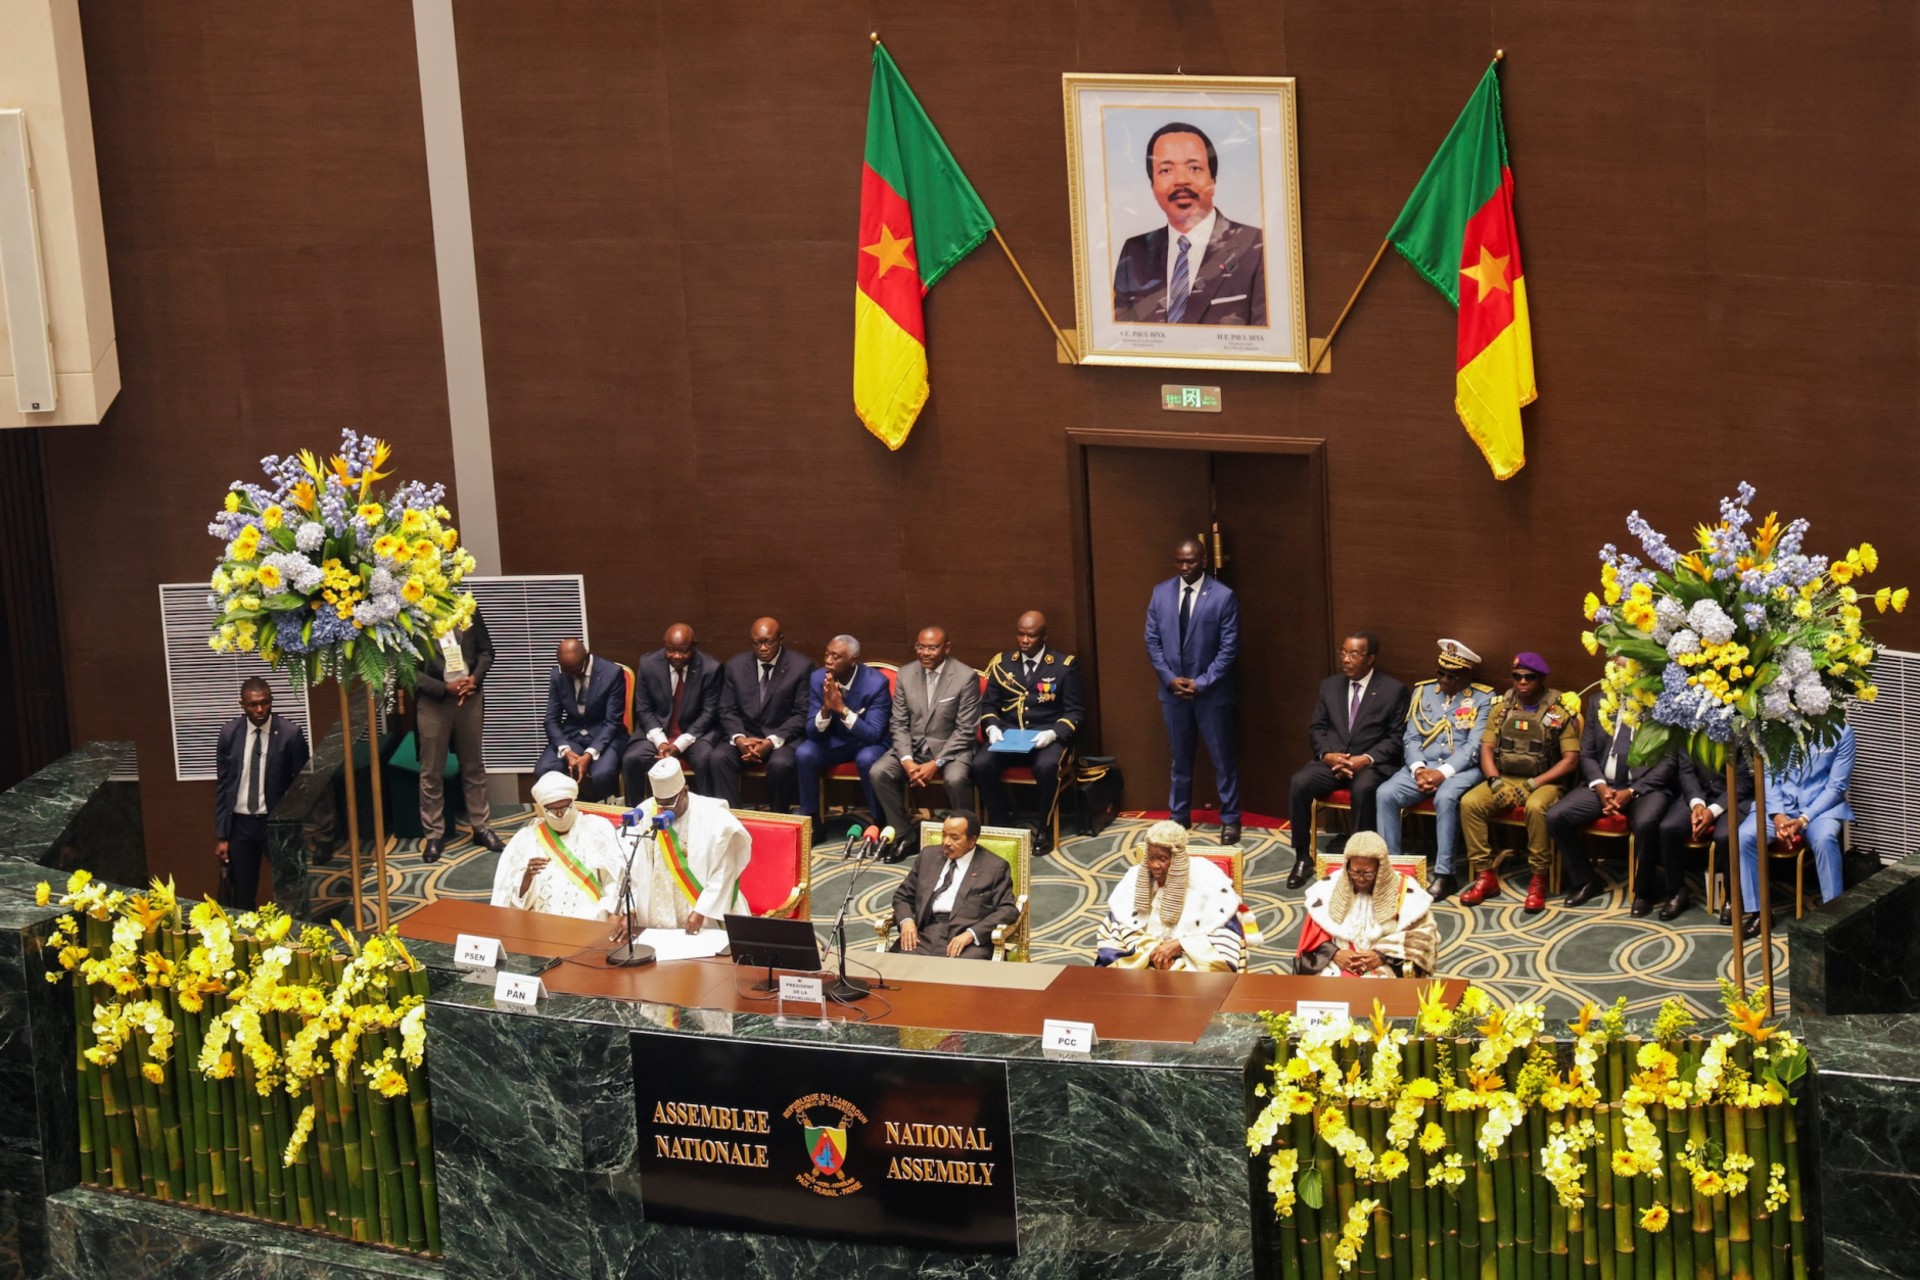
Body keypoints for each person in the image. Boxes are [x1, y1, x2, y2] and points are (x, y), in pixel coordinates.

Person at [1285, 631, 1412, 887]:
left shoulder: (1393, 690)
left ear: (1371, 659)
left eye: (1354, 654)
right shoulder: (1329, 686)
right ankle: (1302, 857)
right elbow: (1316, 728)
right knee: (1299, 783)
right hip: (1332, 762)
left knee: (1364, 788)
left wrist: (1365, 758)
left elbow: (1396, 737)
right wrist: (1328, 755)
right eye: (1343, 652)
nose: (1346, 659)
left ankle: (1360, 860)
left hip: (1369, 764)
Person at [1457, 653, 1582, 912]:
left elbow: (1570, 760)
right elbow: (1486, 749)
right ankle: (1485, 875)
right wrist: (1493, 782)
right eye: (1517, 677)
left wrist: (1534, 784)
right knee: (1470, 803)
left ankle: (1538, 877)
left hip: (1546, 781)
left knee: (1536, 807)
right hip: (1504, 778)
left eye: (1529, 677)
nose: (1522, 682)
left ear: (1541, 679)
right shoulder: (1500, 708)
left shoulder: (1557, 711)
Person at [1374, 639, 1494, 902]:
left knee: (1445, 797)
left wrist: (1443, 773)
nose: (1443, 680)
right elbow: (1411, 737)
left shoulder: (1484, 698)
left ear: (1466, 674)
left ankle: (1445, 874)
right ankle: (1393, 868)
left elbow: (1475, 746)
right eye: (1440, 673)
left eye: (1451, 675)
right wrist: (1418, 769)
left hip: (1463, 769)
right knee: (1385, 794)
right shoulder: (1422, 692)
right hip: (1423, 766)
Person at [1111, 122, 1266, 326]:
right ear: (1152, 186)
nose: (1181, 181)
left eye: (1194, 168)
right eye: (1166, 170)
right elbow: (1121, 338)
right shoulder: (1135, 251)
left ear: (1213, 180)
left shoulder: (1256, 247)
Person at [1546, 681, 1677, 911]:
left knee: (1647, 822)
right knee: (1557, 816)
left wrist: (1632, 791)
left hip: (1645, 787)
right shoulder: (1599, 701)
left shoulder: (1659, 703)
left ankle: (1645, 891)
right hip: (1602, 786)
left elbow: (1669, 762)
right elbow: (1587, 754)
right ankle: (1586, 880)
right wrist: (1600, 787)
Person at [1144, 538, 1242, 842]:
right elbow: (1152, 641)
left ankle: (1230, 819)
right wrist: (1170, 678)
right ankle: (1179, 817)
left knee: (1222, 759)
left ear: (1202, 561)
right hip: (1172, 692)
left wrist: (1201, 682)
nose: (1184, 567)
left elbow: (1229, 648)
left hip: (1211, 695)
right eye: (1179, 561)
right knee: (1179, 757)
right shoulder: (1161, 592)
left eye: (1190, 561)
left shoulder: (1223, 596)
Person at [972, 610, 1085, 851]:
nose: (1024, 641)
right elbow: (990, 705)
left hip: (1045, 736)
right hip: (1009, 735)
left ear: (1044, 636)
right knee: (981, 764)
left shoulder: (1064, 666)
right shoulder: (1003, 663)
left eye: (1031, 636)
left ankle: (1043, 829)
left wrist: (1054, 733)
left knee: (1046, 768)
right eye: (1020, 634)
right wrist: (992, 727)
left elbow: (1075, 712)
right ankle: (1002, 822)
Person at [1734, 725, 1855, 937]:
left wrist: (1803, 819)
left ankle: (1834, 914)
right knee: (1745, 836)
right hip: (1778, 808)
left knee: (1826, 839)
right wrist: (1778, 815)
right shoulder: (1775, 727)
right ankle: (1759, 913)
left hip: (1819, 811)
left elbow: (1836, 787)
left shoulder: (1842, 730)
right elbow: (1769, 777)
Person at [869, 626, 980, 859]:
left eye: (932, 647)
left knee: (955, 778)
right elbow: (898, 723)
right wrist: (907, 760)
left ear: (946, 648)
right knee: (879, 772)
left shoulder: (965, 676)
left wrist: (936, 763)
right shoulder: (906, 674)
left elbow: (965, 730)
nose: (925, 653)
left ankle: (966, 836)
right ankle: (905, 834)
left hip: (952, 748)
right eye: (921, 647)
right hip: (914, 747)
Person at [1096, 819, 1258, 972]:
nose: (1154, 865)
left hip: (1192, 966)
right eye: (1151, 858)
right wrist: (1151, 952)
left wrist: (1182, 944)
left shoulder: (1207, 879)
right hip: (1142, 960)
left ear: (1177, 858)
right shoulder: (1133, 878)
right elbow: (1116, 929)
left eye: (1162, 858)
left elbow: (1225, 938)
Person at [623, 757, 753, 933]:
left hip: (704, 911)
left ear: (685, 791)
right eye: (660, 803)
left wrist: (701, 911)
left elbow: (725, 870)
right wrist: (629, 909)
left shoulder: (713, 816)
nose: (665, 809)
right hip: (660, 908)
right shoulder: (647, 811)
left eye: (670, 802)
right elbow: (635, 865)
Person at [212, 677, 310, 908]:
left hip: (276, 824)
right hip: (240, 825)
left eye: (265, 703)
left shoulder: (290, 734)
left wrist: (297, 830)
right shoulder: (229, 734)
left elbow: (302, 786)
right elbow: (223, 786)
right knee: (242, 895)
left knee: (290, 889)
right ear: (242, 705)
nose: (259, 709)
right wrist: (222, 835)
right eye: (253, 704)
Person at [416, 608, 501, 863]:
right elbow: (406, 670)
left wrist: (474, 679)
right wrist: (444, 688)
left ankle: (481, 827)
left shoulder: (468, 608)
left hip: (470, 698)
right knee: (432, 769)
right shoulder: (414, 615)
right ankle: (434, 834)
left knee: (473, 765)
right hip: (434, 702)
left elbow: (487, 652)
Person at [1296, 832, 1438, 978]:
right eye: (1355, 872)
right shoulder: (1326, 890)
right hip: (1336, 966)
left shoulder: (1407, 893)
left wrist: (1382, 956)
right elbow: (1312, 938)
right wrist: (1334, 953)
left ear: (1381, 870)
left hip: (1385, 968)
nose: (1361, 879)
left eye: (1368, 874)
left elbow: (1423, 940)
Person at [489, 771, 628, 920]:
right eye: (553, 810)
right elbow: (509, 901)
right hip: (544, 923)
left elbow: (615, 879)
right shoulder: (526, 838)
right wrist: (527, 878)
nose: (560, 815)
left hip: (591, 920)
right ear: (543, 809)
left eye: (564, 808)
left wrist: (611, 912)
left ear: (573, 803)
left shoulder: (596, 828)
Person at [711, 616, 813, 813]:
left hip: (782, 738)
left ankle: (777, 819)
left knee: (781, 764)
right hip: (746, 736)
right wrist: (739, 739)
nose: (763, 648)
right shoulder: (736, 666)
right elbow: (726, 709)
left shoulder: (801, 667)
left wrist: (771, 741)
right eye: (757, 643)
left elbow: (802, 713)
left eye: (768, 642)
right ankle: (733, 821)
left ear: (780, 639)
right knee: (718, 758)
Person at [889, 810, 1018, 960]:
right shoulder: (928, 856)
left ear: (972, 841)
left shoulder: (994, 867)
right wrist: (907, 921)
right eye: (944, 835)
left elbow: (1007, 909)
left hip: (966, 941)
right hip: (924, 934)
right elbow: (902, 896)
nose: (946, 842)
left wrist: (971, 934)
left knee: (959, 975)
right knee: (897, 967)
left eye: (954, 837)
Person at [793, 635, 892, 829]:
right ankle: (813, 823)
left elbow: (873, 734)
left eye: (836, 657)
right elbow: (812, 732)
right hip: (836, 740)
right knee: (805, 753)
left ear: (853, 660)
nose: (828, 661)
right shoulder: (817, 678)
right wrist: (826, 709)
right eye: (827, 654)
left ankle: (879, 821)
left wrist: (842, 709)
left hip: (869, 743)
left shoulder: (876, 684)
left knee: (866, 759)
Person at [621, 623, 724, 803]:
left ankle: (706, 813)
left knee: (706, 759)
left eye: (683, 651)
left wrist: (679, 745)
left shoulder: (711, 668)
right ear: (664, 645)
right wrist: (661, 742)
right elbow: (644, 708)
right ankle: (635, 814)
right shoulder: (648, 664)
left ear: (694, 645)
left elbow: (709, 713)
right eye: (670, 650)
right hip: (658, 733)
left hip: (695, 735)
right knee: (632, 758)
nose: (676, 656)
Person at [1652, 749, 1752, 923]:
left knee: (1725, 836)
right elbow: (1686, 771)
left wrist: (1712, 811)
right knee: (1669, 828)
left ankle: (1733, 899)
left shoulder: (1743, 729)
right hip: (1697, 794)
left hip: (1732, 797)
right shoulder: (1691, 726)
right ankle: (1677, 892)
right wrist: (1697, 803)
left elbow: (1743, 782)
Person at [534, 638, 628, 802]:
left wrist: (589, 754)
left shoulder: (611, 673)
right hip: (573, 735)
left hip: (605, 736)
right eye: (566, 671)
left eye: (575, 670)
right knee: (545, 769)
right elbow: (551, 719)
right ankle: (576, 807)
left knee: (602, 774)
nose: (570, 675)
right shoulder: (558, 674)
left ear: (586, 657)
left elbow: (613, 721)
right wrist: (566, 750)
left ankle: (603, 812)